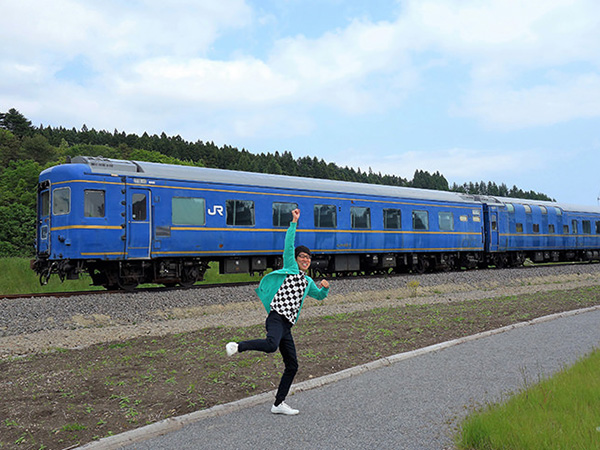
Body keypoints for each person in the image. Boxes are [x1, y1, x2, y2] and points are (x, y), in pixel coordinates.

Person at [226, 208, 330, 415]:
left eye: (308, 258)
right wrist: (294, 221)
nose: (305, 260)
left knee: (292, 365)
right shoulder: (291, 268)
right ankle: (238, 346)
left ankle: (278, 404)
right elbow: (289, 244)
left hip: (287, 326)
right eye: (302, 256)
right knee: (271, 345)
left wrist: (325, 288)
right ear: (296, 258)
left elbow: (318, 296)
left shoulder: (308, 281)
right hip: (276, 318)